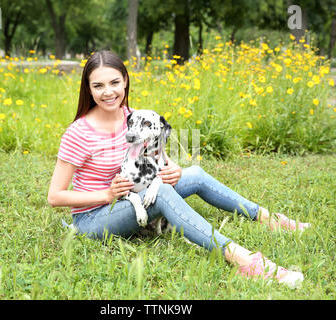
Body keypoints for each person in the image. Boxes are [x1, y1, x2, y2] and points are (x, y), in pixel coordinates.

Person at [48, 50, 311, 288]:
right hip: (94, 218)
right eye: (99, 85)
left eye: (114, 82)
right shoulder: (79, 132)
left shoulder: (135, 116)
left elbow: (157, 156)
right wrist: (106, 195)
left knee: (193, 173)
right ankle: (244, 260)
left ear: (125, 81)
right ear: (89, 89)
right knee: (161, 194)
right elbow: (55, 196)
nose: (108, 92)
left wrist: (172, 168)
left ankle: (269, 218)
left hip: (136, 195)